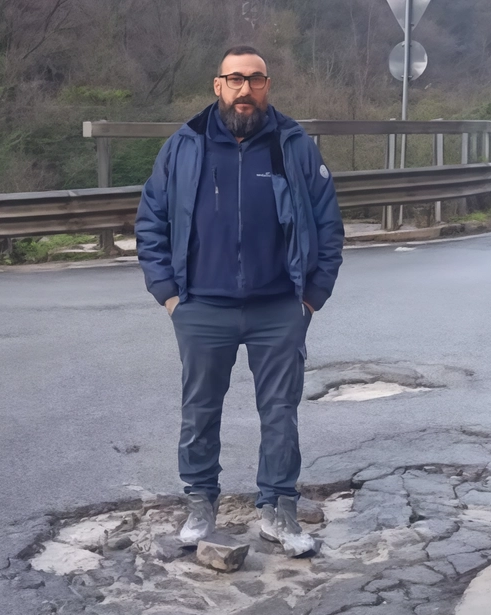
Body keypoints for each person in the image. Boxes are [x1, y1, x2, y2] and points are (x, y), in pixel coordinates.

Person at [135, 45, 345, 557]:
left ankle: (278, 508)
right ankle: (200, 504)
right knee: (200, 410)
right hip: (202, 305)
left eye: (255, 79)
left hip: (279, 306)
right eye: (235, 79)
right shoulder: (185, 146)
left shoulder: (293, 144)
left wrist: (312, 297)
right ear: (218, 85)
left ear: (267, 84)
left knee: (280, 412)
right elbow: (151, 221)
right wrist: (168, 295)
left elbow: (327, 223)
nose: (244, 89)